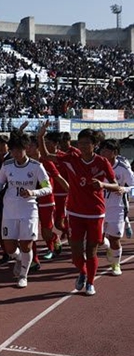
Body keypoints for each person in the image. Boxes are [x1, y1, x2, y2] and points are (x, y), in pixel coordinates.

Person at [38, 123, 119, 296]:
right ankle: (82, 271)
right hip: (75, 211)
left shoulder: (102, 162)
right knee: (75, 253)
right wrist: (40, 137)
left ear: (94, 145)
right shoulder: (71, 158)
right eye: (80, 142)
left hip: (96, 212)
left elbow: (116, 186)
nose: (82, 146)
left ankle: (90, 282)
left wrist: (103, 184)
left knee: (91, 250)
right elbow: (46, 155)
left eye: (86, 143)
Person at [0, 131, 52, 288]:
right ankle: (19, 258)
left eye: (19, 150)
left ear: (26, 148)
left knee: (26, 244)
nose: (15, 153)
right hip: (9, 210)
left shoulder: (36, 166)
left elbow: (48, 188)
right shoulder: (6, 165)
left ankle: (23, 275)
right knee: (9, 248)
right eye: (13, 150)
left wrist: (32, 192)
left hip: (28, 210)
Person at [27, 135, 69, 264]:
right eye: (27, 145)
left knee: (46, 231)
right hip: (29, 200)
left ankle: (53, 241)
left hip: (46, 200)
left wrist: (73, 192)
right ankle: (34, 260)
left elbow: (58, 178)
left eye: (31, 145)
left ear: (38, 147)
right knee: (29, 232)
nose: (28, 148)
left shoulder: (46, 162)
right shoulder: (24, 162)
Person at [98, 139, 134, 276]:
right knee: (98, 239)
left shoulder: (123, 168)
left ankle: (116, 264)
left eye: (106, 150)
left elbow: (133, 187)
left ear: (114, 152)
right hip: (98, 207)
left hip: (117, 208)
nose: (103, 152)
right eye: (102, 150)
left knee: (115, 239)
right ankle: (107, 249)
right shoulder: (97, 166)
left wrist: (123, 190)